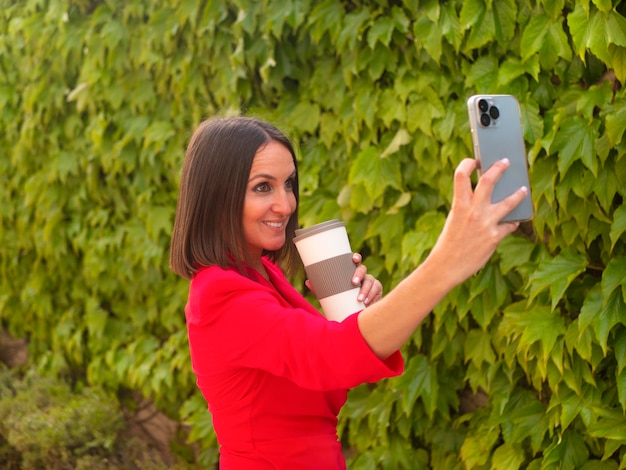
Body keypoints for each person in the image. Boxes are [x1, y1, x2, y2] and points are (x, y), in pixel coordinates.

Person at [169, 116, 527, 469]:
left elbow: (340, 359)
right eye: (263, 187)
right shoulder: (220, 293)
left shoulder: (261, 274)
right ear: (218, 195)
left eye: (289, 184)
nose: (286, 204)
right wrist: (446, 262)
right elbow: (332, 355)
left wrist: (363, 314)